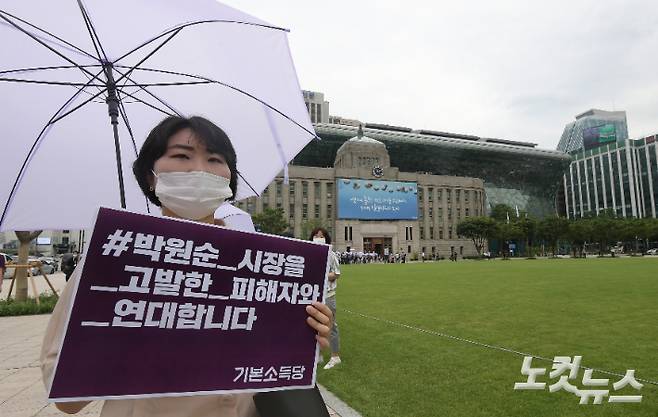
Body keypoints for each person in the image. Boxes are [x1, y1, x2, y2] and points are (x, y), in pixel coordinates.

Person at [41, 116, 333, 417]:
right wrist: (121, 336)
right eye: (181, 155)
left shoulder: (259, 263)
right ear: (151, 175)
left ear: (228, 180)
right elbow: (67, 400)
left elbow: (276, 371)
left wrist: (303, 337)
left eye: (215, 159)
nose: (200, 169)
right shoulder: (112, 259)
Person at [309, 227, 341, 370]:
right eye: (316, 235)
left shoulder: (331, 254)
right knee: (314, 325)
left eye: (321, 236)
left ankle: (335, 356)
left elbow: (337, 273)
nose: (318, 238)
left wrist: (322, 275)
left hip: (328, 295)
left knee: (331, 326)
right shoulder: (310, 253)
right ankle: (318, 354)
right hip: (314, 294)